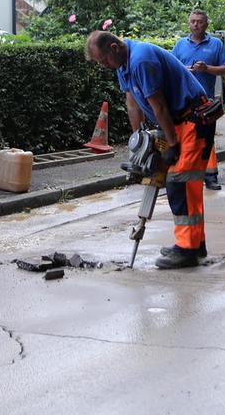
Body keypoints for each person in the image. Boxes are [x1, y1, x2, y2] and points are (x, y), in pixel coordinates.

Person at [86, 30, 213, 270]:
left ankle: (187, 249)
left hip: (193, 118)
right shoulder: (123, 66)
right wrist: (140, 141)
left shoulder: (141, 59)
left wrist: (172, 145)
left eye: (103, 60)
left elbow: (159, 106)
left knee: (180, 183)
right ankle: (195, 245)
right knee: (183, 185)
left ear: (114, 47)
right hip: (177, 121)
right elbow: (132, 102)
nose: (103, 66)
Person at [172, 9, 225, 190]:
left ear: (206, 24)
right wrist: (184, 70)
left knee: (207, 139)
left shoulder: (215, 44)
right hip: (182, 100)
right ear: (188, 23)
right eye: (192, 21)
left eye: (199, 21)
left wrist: (207, 69)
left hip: (205, 101)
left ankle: (211, 176)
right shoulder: (180, 45)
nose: (196, 24)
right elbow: (171, 67)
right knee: (184, 138)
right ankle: (185, 175)